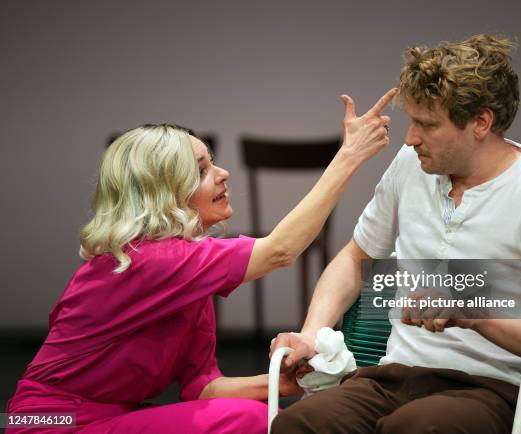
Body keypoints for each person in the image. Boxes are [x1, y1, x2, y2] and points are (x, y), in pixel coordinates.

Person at [5, 88, 396, 434]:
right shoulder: (152, 259)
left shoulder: (184, 274)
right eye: (202, 170)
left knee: (245, 413)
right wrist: (350, 156)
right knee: (249, 422)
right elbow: (280, 250)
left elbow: (201, 387)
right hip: (46, 422)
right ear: (166, 191)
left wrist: (285, 381)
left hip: (101, 417)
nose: (223, 174)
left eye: (213, 163)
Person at [271, 34, 521, 434]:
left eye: (427, 124)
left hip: (494, 389)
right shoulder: (411, 166)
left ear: (481, 122)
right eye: (411, 120)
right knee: (300, 423)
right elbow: (356, 258)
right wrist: (312, 334)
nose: (409, 138)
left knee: (416, 428)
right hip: (395, 378)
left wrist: (474, 314)